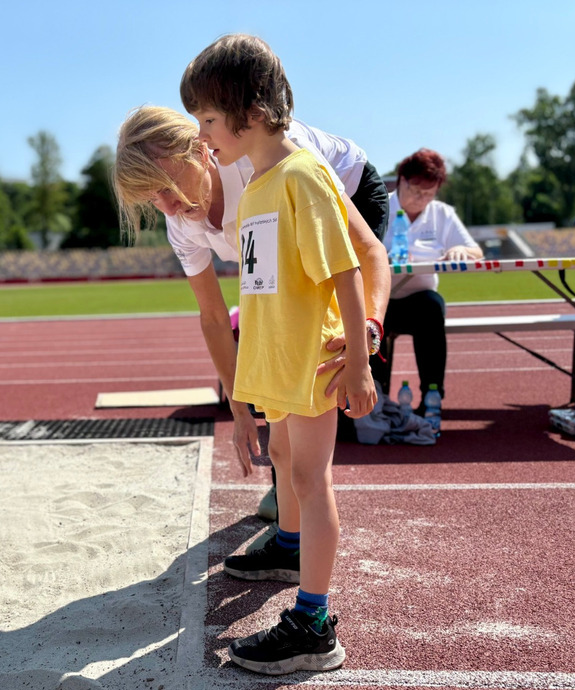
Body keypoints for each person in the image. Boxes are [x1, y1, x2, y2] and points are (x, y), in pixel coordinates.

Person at [180, 34, 376, 675]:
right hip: (280, 361)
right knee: (291, 468)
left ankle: (313, 625)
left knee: (310, 482)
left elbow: (346, 269)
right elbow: (263, 287)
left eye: (208, 119)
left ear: (251, 110)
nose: (203, 135)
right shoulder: (260, 184)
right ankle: (299, 587)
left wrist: (359, 359)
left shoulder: (301, 175)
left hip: (313, 360)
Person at [113, 107, 389, 522]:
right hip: (281, 220)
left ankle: (304, 507)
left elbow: (367, 251)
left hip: (351, 188)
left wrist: (367, 333)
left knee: (310, 348)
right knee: (282, 376)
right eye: (154, 199)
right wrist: (238, 409)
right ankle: (292, 518)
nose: (168, 208)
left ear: (199, 151)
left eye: (168, 187)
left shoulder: (268, 158)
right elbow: (212, 315)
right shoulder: (181, 223)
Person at [370, 148, 482, 410]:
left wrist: (461, 250)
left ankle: (432, 397)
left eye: (428, 194)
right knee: (372, 317)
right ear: (402, 181)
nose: (421, 199)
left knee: (432, 307)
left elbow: (476, 251)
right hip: (380, 297)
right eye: (416, 191)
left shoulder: (441, 213)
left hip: (419, 301)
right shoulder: (378, 206)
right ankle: (376, 397)